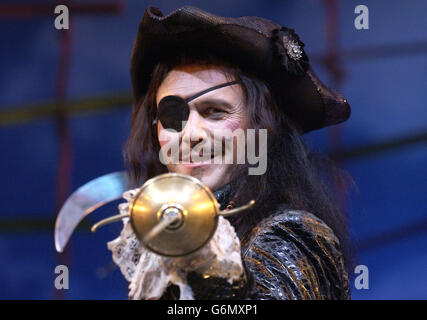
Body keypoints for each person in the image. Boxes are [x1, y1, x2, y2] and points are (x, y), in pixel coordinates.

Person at [114, 5, 353, 300]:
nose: (190, 135)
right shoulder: (165, 250)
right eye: (172, 118)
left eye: (214, 112)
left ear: (261, 128)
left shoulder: (290, 236)